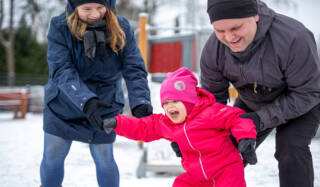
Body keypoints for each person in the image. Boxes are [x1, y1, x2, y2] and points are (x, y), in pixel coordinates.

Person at [198, 0, 320, 187]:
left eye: (235, 28)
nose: (229, 38)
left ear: (254, 16)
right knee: (221, 151)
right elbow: (212, 102)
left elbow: (308, 92)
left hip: (301, 102)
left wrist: (259, 119)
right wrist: (192, 136)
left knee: (290, 148)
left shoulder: (294, 38)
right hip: (252, 101)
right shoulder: (213, 50)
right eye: (220, 31)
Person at [40, 0, 153, 186]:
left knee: (104, 156)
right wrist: (86, 100)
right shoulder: (59, 26)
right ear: (74, 7)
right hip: (64, 102)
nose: (94, 15)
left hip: (104, 104)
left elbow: (134, 67)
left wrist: (140, 101)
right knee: (53, 154)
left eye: (101, 8)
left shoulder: (121, 26)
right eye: (86, 9)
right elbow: (61, 69)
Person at [103, 67, 258, 187]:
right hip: (196, 176)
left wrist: (246, 138)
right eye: (166, 103)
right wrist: (118, 123)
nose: (170, 107)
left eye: (175, 101)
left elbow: (237, 118)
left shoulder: (210, 112)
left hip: (225, 171)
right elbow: (143, 127)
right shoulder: (167, 124)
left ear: (190, 100)